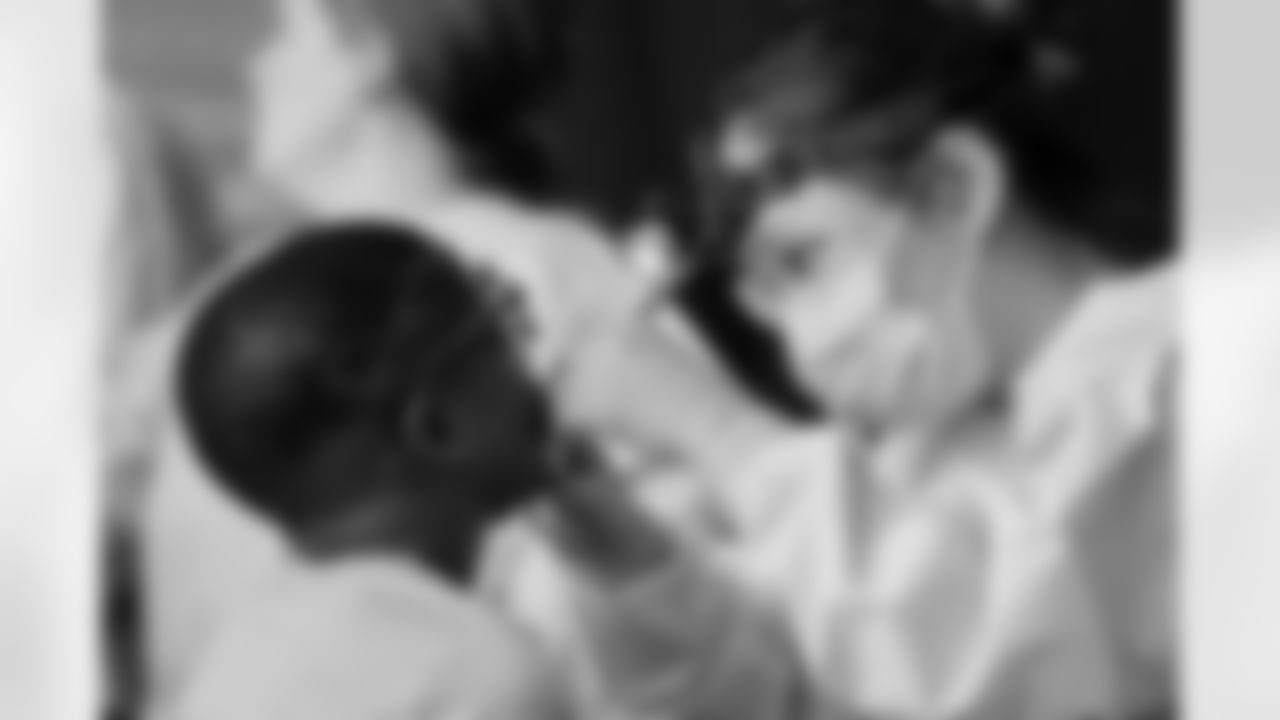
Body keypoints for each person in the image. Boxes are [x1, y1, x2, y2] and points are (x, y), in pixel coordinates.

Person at [553, 0, 1177, 718]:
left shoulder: (1186, 377)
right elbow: (785, 678)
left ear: (952, 191)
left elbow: (1006, 662)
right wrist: (609, 530)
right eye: (765, 297)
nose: (801, 342)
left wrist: (717, 429)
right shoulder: (941, 445)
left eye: (802, 261)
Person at [158, 221, 580, 720]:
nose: (536, 374)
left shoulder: (245, 649)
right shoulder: (472, 674)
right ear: (438, 425)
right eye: (500, 340)